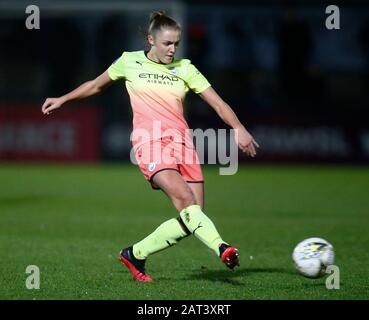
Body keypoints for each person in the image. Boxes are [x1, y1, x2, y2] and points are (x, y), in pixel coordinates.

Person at [42, 11, 259, 283]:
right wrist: (63, 99)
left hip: (183, 145)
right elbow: (96, 86)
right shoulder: (129, 61)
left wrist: (238, 128)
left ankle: (135, 253)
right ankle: (222, 247)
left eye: (176, 44)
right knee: (185, 200)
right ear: (150, 40)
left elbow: (217, 102)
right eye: (167, 43)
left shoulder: (186, 68)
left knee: (192, 218)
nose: (172, 49)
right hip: (150, 143)